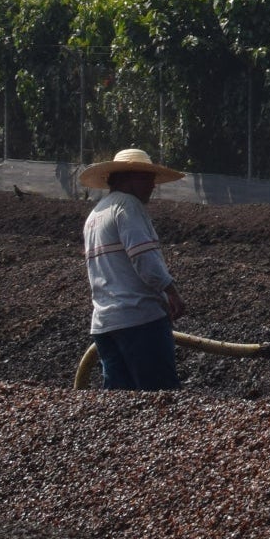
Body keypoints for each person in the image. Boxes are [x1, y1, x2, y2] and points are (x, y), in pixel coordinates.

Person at [79, 147, 188, 390]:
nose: (152, 185)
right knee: (162, 398)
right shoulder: (128, 206)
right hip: (139, 318)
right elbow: (144, 259)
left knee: (120, 405)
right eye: (148, 178)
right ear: (129, 178)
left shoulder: (95, 215)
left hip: (105, 323)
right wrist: (172, 291)